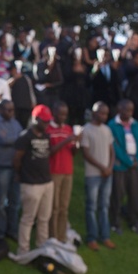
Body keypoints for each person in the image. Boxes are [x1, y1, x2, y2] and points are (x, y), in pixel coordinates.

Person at [13, 104, 53, 254]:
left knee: (44, 218)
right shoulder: (25, 137)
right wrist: (20, 174)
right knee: (28, 219)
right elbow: (17, 159)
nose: (47, 124)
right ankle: (23, 250)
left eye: (49, 121)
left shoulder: (46, 135)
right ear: (36, 119)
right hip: (31, 183)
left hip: (47, 182)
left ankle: (42, 247)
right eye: (45, 121)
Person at [108, 99, 138, 236]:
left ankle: (134, 222)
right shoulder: (112, 125)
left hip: (135, 165)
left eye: (131, 110)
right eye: (126, 110)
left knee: (135, 194)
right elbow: (114, 147)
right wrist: (128, 162)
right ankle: (115, 223)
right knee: (118, 194)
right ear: (119, 110)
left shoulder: (135, 124)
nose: (129, 113)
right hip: (120, 166)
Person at [82, 101, 115, 251]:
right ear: (94, 113)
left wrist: (109, 167)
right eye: (102, 113)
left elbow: (111, 150)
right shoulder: (86, 130)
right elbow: (86, 154)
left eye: (106, 113)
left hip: (107, 174)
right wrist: (102, 167)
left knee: (104, 206)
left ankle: (105, 236)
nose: (105, 116)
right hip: (93, 174)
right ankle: (92, 237)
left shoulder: (107, 130)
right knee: (91, 207)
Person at [0, 100, 22, 241]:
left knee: (15, 202)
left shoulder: (16, 123)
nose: (11, 112)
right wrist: (16, 139)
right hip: (1, 167)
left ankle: (12, 230)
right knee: (0, 203)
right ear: (1, 110)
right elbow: (2, 140)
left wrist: (12, 139)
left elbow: (16, 139)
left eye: (12, 110)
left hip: (15, 167)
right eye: (8, 110)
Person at [46, 101, 78, 243]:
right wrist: (67, 141)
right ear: (54, 113)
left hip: (67, 171)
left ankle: (62, 235)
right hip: (54, 171)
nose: (63, 117)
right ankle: (53, 236)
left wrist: (77, 143)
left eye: (66, 114)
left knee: (64, 207)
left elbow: (73, 152)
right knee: (54, 206)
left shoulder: (68, 129)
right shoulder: (48, 130)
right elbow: (50, 152)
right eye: (61, 114)